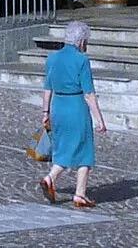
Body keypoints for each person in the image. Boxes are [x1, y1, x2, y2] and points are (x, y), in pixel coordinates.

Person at [38, 19, 108, 208]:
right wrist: (100, 120)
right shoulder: (82, 60)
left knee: (63, 148)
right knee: (84, 151)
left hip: (58, 107)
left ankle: (50, 178)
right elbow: (89, 94)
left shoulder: (52, 58)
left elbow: (47, 89)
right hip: (76, 107)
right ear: (82, 42)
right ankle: (80, 194)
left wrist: (45, 112)